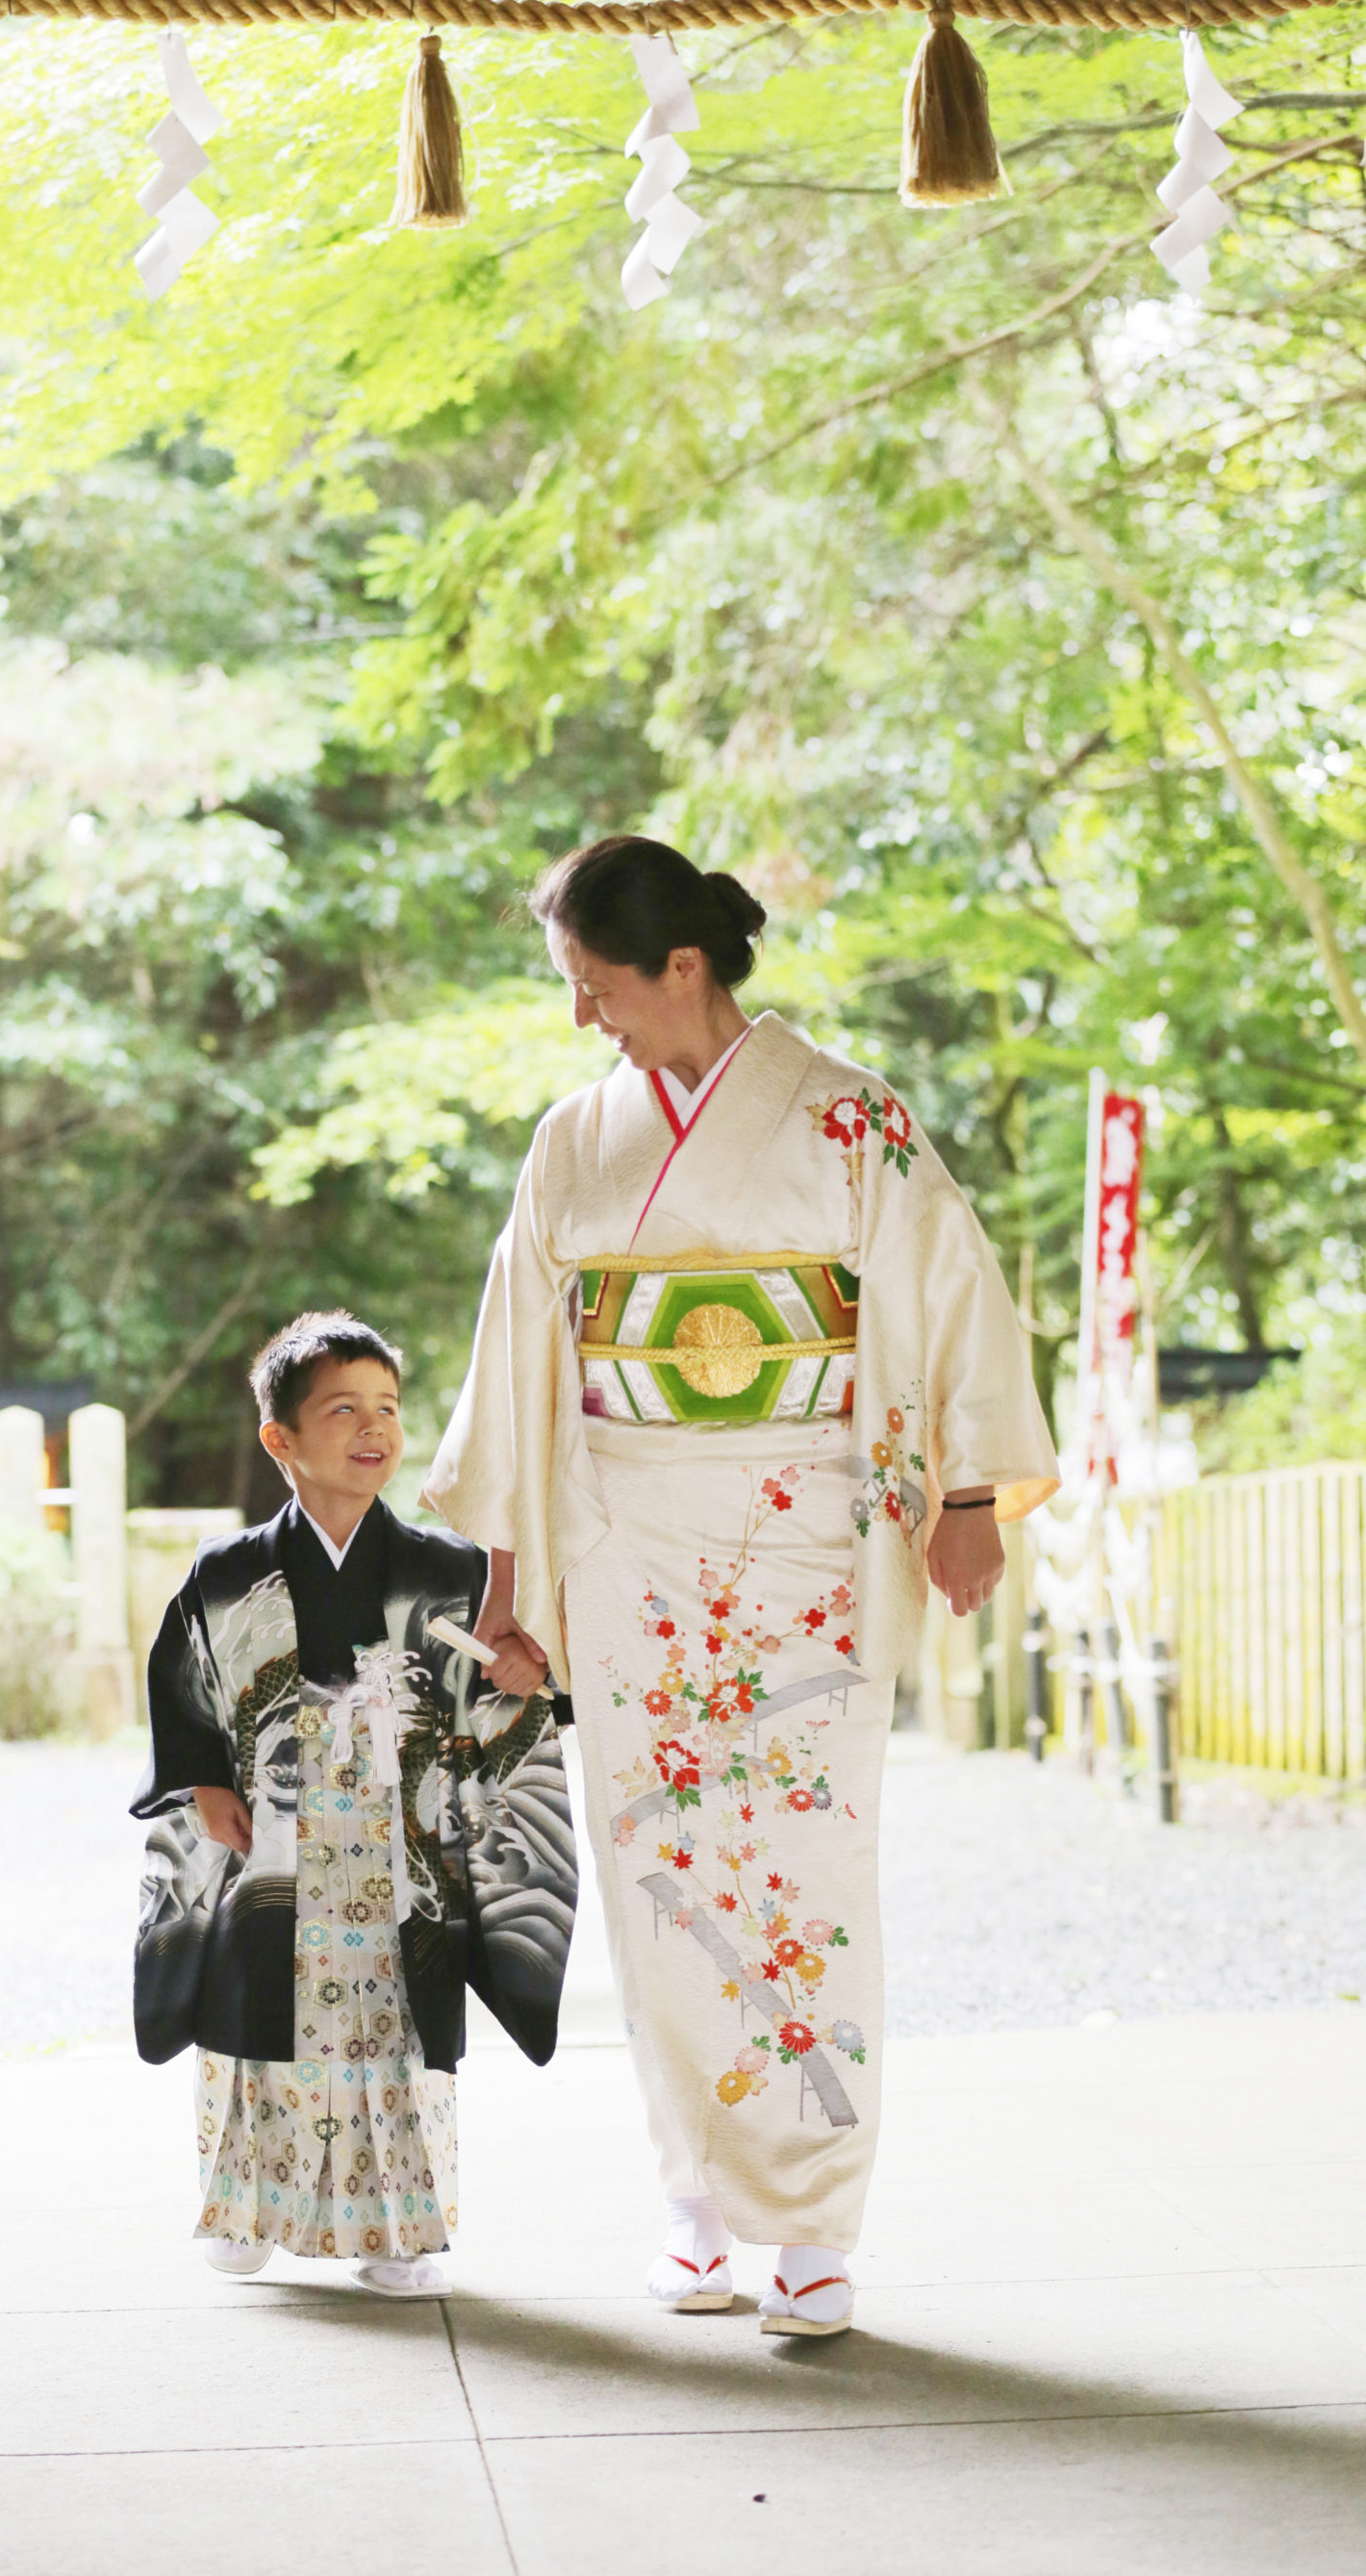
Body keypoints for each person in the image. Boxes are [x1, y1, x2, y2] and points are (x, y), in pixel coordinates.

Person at [424, 838, 1057, 2337]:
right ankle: (698, 2206)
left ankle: (818, 2228)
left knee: (804, 1873)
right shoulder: (574, 1146)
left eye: (598, 988)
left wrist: (966, 1498)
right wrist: (506, 1579)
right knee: (659, 1875)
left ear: (682, 969)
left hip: (803, 1547)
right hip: (627, 1550)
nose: (586, 1019)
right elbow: (518, 1373)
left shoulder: (849, 1119)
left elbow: (951, 1292)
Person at [131, 1310, 577, 2298]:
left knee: (393, 2032)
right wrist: (204, 1782)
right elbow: (182, 1684)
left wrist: (523, 1668)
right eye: (343, 1410)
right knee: (258, 2029)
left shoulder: (448, 1569)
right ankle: (245, 2204)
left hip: (400, 1846)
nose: (375, 1429)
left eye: (387, 1407)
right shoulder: (226, 1572)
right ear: (279, 1439)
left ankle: (396, 2227)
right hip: (271, 1837)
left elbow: (520, 1698)